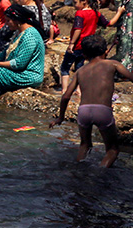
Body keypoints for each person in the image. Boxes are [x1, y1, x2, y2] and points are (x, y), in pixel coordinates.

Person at [51, 35, 133, 167]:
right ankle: (100, 173)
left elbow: (66, 96)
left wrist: (60, 118)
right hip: (102, 111)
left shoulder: (80, 71)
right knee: (112, 149)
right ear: (106, 51)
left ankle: (78, 171)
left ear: (84, 55)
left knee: (85, 145)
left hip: (83, 111)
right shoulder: (113, 64)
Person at [0, 4, 47, 103]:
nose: (6, 24)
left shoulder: (30, 35)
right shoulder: (18, 33)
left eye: (8, 20)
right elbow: (4, 54)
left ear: (17, 20)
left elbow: (19, 64)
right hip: (18, 72)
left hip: (28, 75)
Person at [60, 0, 110, 93]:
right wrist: (119, 12)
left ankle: (64, 90)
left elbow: (78, 29)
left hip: (77, 45)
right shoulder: (96, 13)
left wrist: (71, 43)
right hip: (86, 47)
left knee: (65, 67)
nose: (74, 6)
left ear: (84, 1)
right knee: (79, 67)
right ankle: (79, 90)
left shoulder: (80, 14)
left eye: (75, 2)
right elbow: (107, 23)